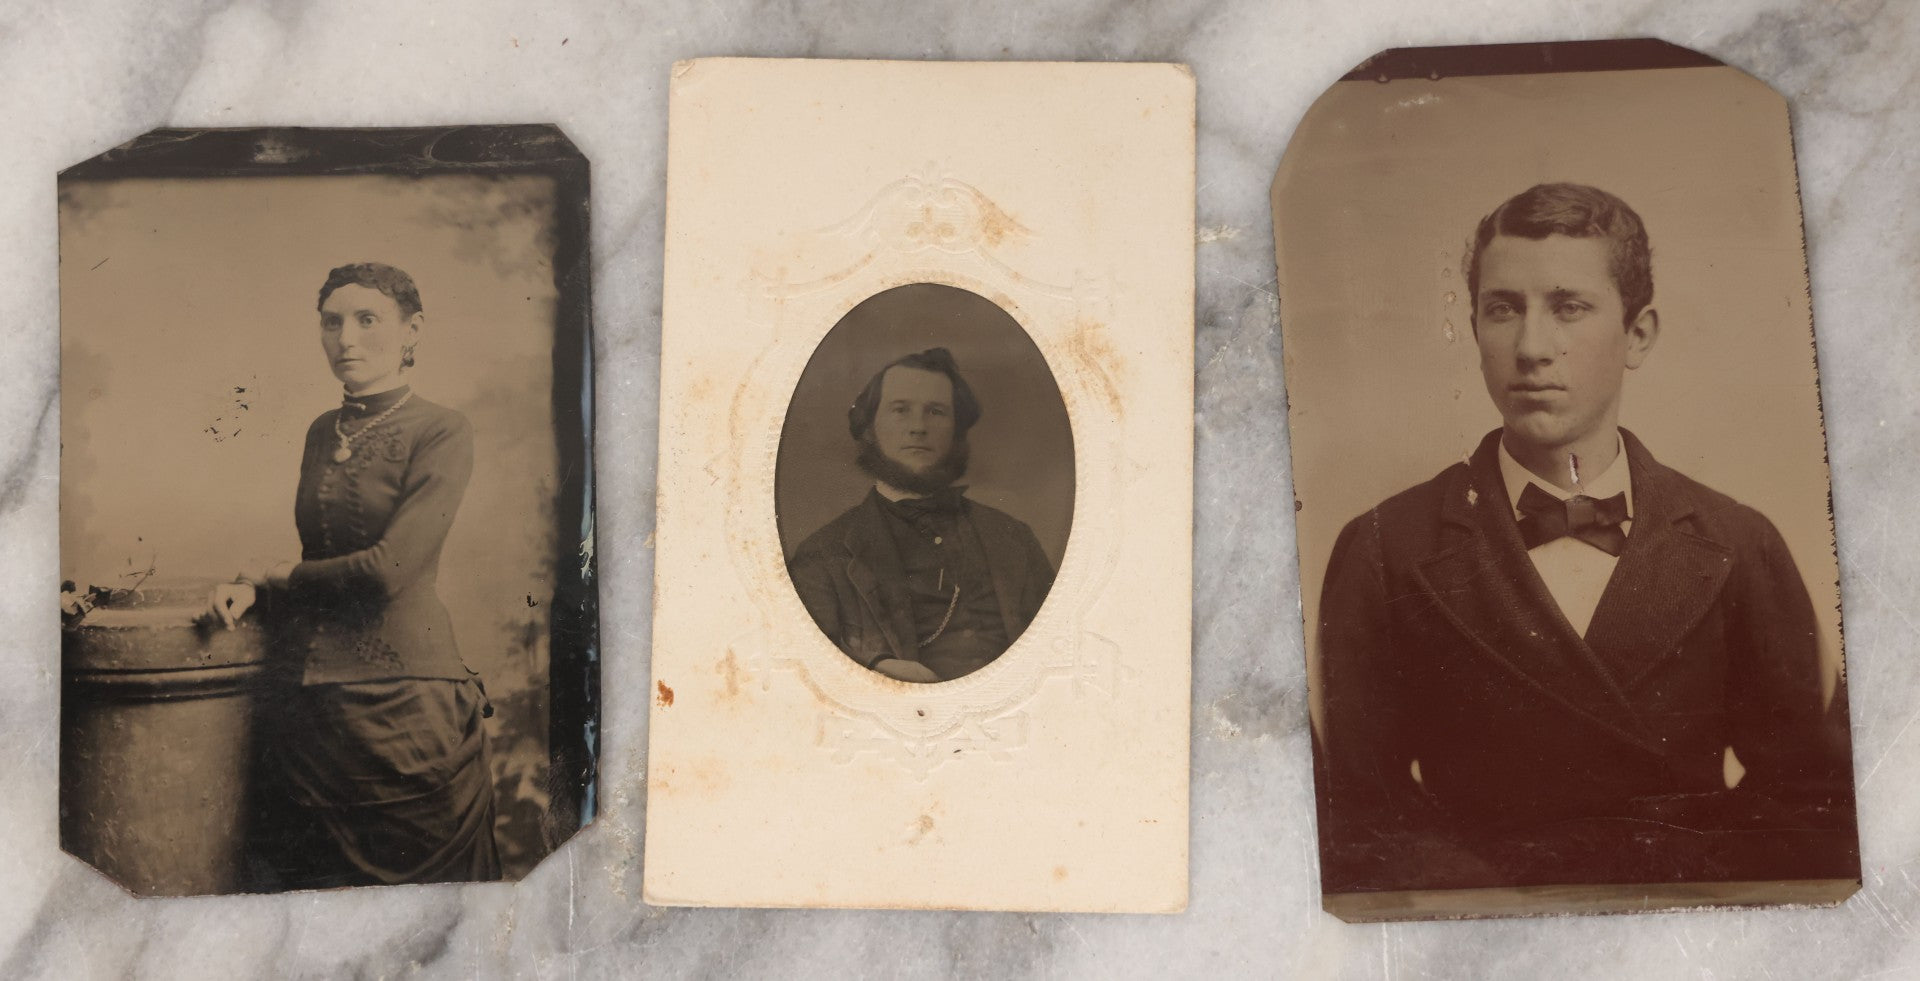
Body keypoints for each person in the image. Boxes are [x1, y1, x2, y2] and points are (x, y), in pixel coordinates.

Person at [1314, 184, 1857, 893]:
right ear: (1474, 327)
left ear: (1638, 335)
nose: (1533, 348)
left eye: (1569, 307)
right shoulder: (1386, 549)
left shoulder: (1737, 543)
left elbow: (1812, 799)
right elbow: (1356, 814)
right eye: (1503, 308)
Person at [206, 262, 500, 888]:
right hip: (314, 708)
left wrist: (272, 571)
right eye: (332, 322)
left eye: (368, 321)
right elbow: (319, 559)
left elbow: (387, 571)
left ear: (411, 331)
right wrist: (256, 585)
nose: (347, 339)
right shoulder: (321, 430)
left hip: (404, 704)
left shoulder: (442, 430)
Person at [787, 348, 1056, 684]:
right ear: (869, 426)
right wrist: (871, 671)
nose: (918, 427)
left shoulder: (1014, 539)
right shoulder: (822, 558)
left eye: (936, 411)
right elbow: (800, 675)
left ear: (956, 430)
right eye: (900, 410)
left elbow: (1057, 651)